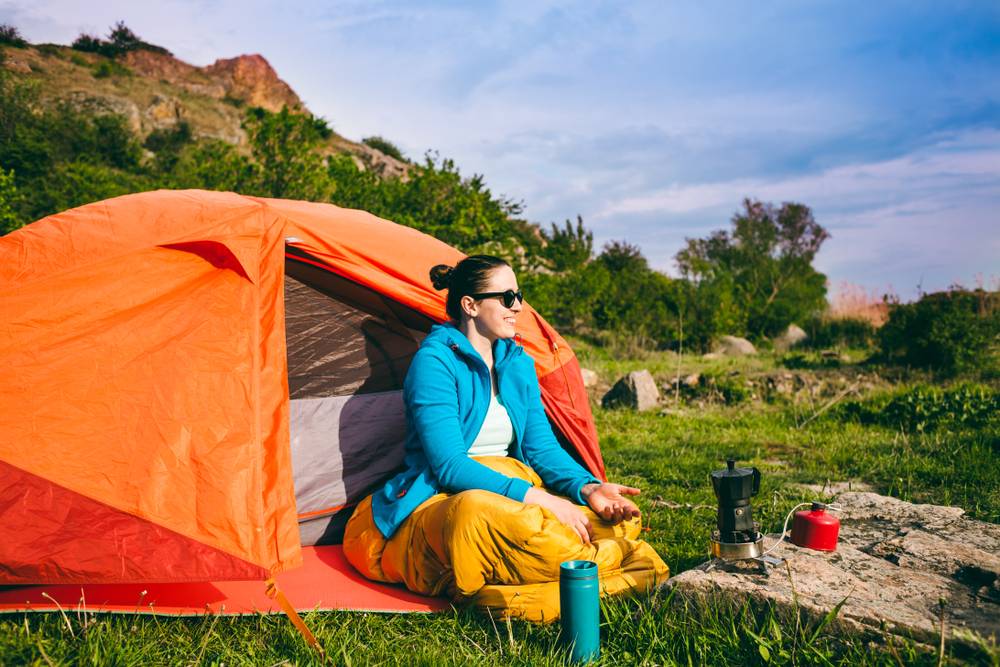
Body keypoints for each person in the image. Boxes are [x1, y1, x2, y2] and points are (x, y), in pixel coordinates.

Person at [343, 255, 668, 621]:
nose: (519, 306)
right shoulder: (435, 361)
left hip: (511, 490)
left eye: (519, 295)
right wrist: (542, 499)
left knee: (618, 520)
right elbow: (449, 466)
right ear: (470, 305)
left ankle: (559, 574)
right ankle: (620, 563)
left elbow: (540, 448)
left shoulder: (517, 363)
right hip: (445, 498)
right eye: (507, 297)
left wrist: (588, 489)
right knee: (475, 514)